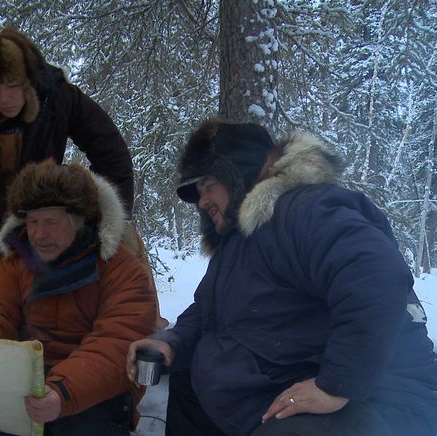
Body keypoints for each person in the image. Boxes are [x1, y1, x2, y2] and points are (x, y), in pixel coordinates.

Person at [127, 119, 437, 436]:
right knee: (187, 378)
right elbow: (208, 312)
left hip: (380, 396)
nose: (202, 202)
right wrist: (173, 343)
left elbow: (374, 275)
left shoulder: (304, 209)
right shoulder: (238, 246)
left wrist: (336, 384)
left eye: (208, 187)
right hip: (281, 386)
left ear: (240, 174)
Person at [0, 26, 166, 341]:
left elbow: (109, 150)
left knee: (124, 241)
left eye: (12, 85)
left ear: (29, 81)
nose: (4, 97)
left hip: (44, 225)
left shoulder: (57, 97)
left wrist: (96, 215)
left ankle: (146, 332)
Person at [0, 160, 157, 435]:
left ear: (78, 219)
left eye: (50, 221)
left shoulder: (121, 269)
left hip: (93, 392)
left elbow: (118, 344)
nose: (38, 234)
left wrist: (62, 391)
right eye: (33, 221)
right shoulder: (18, 261)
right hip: (27, 381)